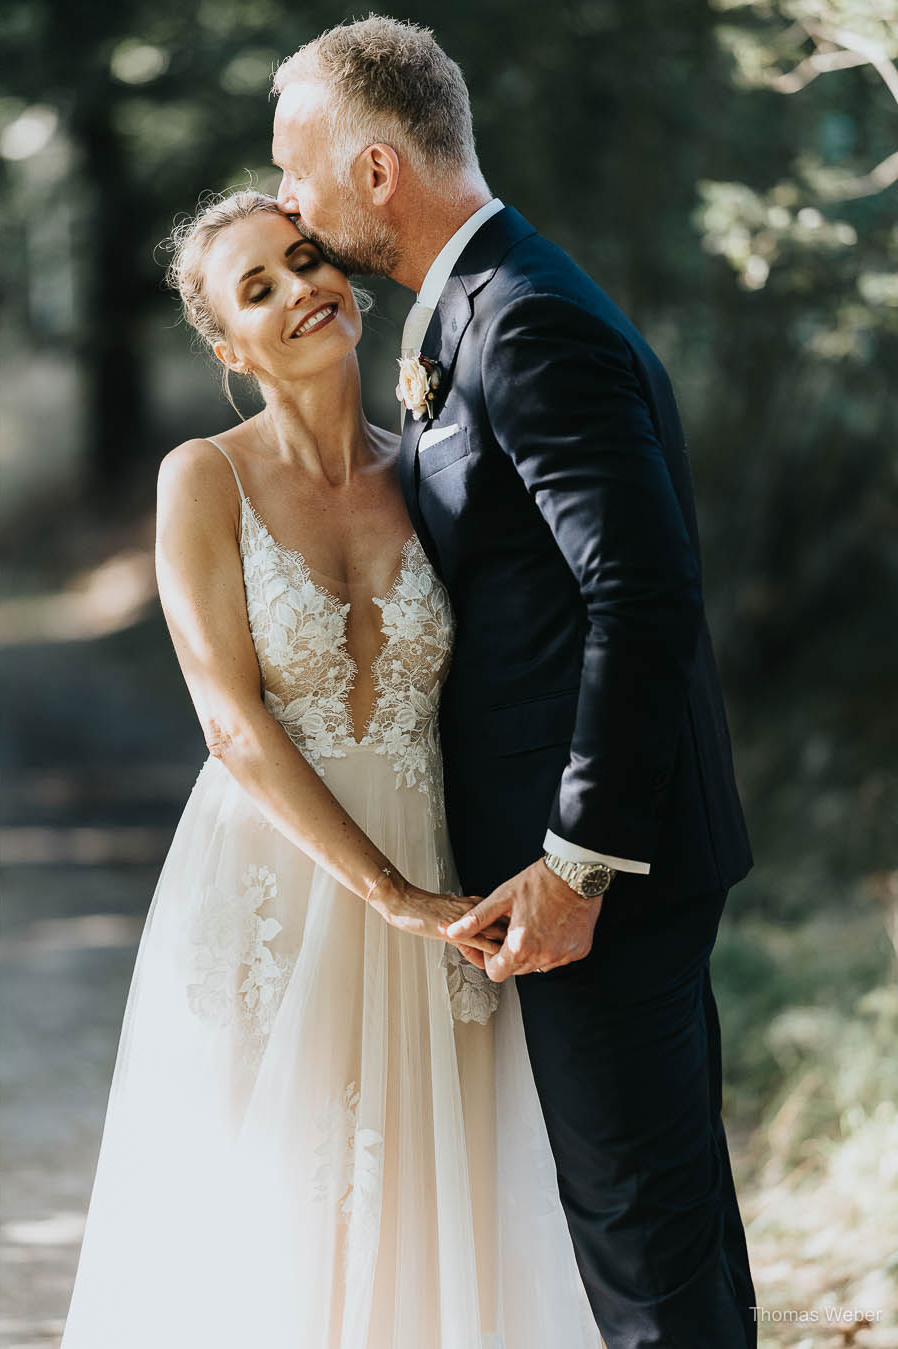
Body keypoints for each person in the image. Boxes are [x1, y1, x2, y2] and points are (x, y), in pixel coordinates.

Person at [271, 17, 756, 1348]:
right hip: (576, 874)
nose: (283, 201)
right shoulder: (481, 310)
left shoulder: (526, 322)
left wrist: (580, 859)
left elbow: (642, 595)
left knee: (646, 1256)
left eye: (295, 170)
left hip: (604, 877)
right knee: (656, 1230)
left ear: (379, 173)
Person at [60, 189, 602, 1348]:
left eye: (306, 262)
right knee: (275, 1198)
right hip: (276, 879)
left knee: (421, 1194)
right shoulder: (203, 477)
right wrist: (390, 895)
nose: (301, 290)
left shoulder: (431, 473)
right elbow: (231, 720)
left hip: (440, 868)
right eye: (259, 287)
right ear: (227, 345)